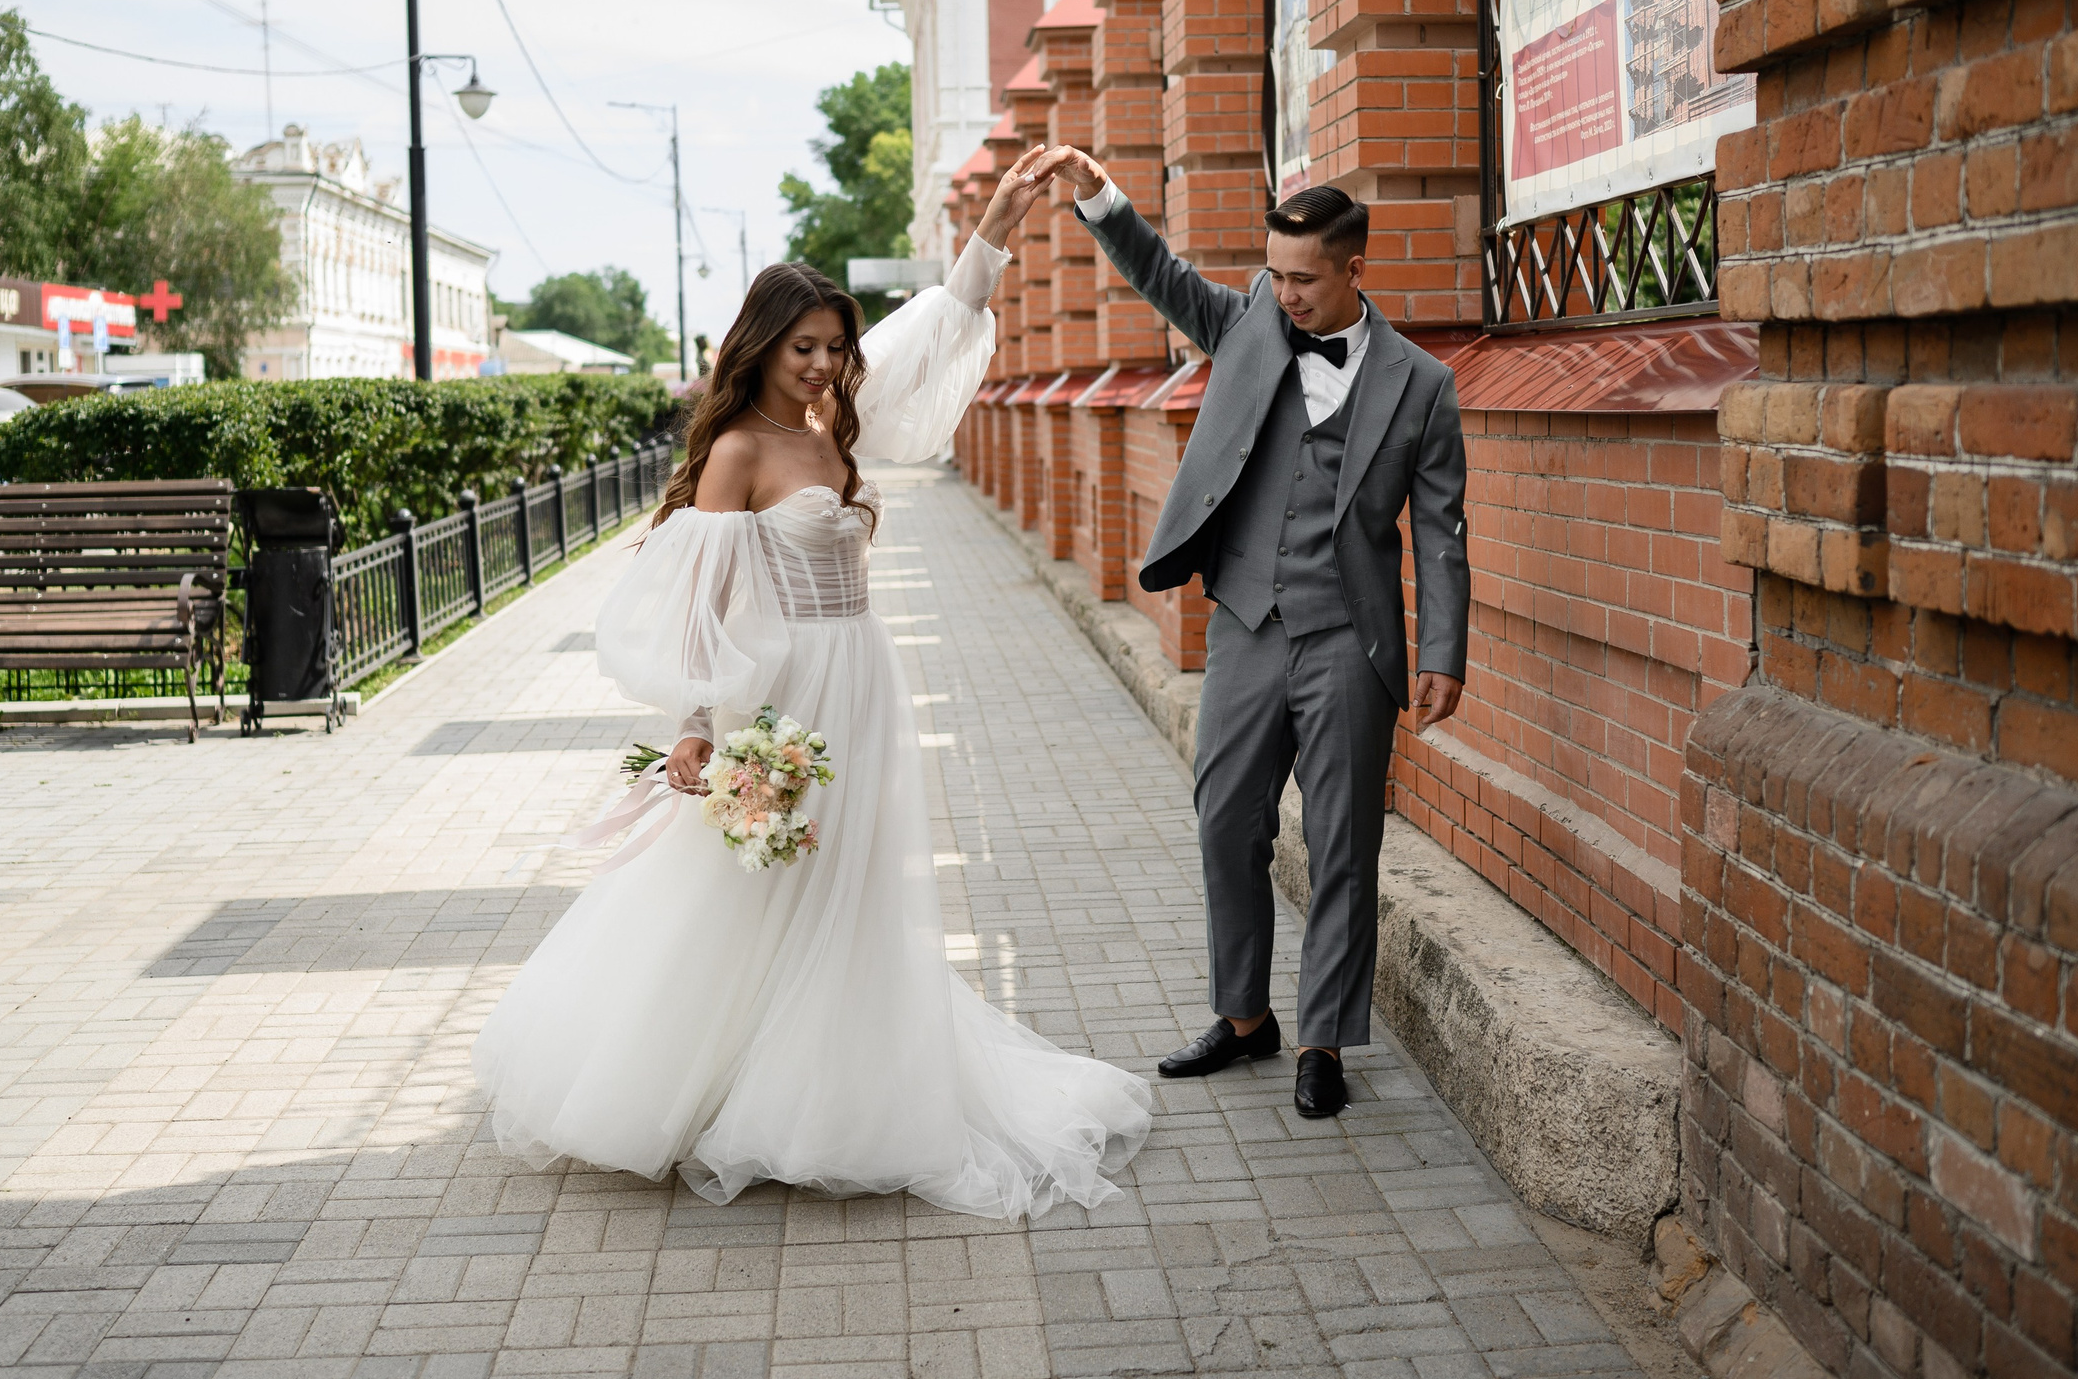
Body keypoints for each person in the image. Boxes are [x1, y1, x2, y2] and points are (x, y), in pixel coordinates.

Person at [474, 252, 1150, 1220]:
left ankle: (837, 1083)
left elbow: (933, 332)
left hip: (864, 681)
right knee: (758, 884)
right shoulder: (738, 451)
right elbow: (700, 599)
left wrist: (996, 234)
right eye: (803, 346)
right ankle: (715, 1084)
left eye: (834, 346)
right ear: (760, 345)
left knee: (855, 879)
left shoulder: (835, 421)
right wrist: (694, 723)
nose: (822, 364)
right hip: (785, 697)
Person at [975, 144, 1470, 1121]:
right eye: (1274, 274)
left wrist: (1444, 651)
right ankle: (1244, 1016)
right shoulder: (1247, 322)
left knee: (1341, 842)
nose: (1284, 293)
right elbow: (1161, 274)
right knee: (1225, 820)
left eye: (1303, 279)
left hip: (1351, 639)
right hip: (1246, 622)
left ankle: (1324, 1038)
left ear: (1353, 269)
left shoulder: (1421, 384)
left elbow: (1442, 531)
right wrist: (1099, 198)